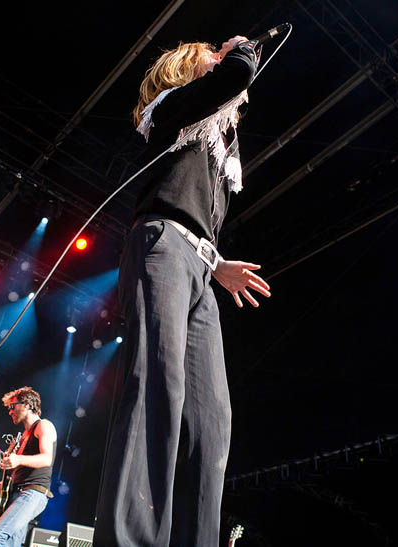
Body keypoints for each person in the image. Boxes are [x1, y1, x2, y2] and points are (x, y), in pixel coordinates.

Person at [94, 35, 271, 546]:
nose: (220, 57)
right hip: (161, 248)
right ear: (189, 69)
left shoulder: (212, 142)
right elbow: (233, 78)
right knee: (156, 386)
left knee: (211, 420)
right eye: (209, 56)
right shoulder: (170, 109)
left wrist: (217, 263)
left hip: (198, 264)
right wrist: (239, 49)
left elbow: (195, 213)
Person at [0, 386, 57, 547]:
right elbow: (22, 470)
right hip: (19, 493)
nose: (10, 411)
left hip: (33, 493)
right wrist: (2, 486)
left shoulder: (44, 425)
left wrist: (18, 459)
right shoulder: (22, 437)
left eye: (12, 406)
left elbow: (46, 459)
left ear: (26, 404)